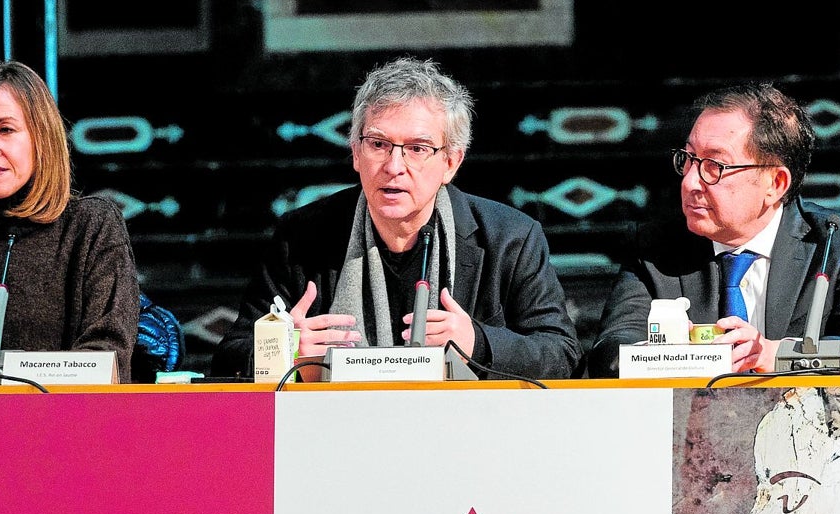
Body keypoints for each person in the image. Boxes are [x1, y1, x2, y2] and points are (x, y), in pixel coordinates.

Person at [211, 55, 582, 382]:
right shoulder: (301, 237)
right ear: (355, 153)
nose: (394, 166)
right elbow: (228, 357)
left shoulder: (510, 238)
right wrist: (283, 350)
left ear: (451, 162)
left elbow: (562, 354)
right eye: (378, 144)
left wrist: (477, 342)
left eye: (417, 149)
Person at [587, 81, 840, 378]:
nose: (690, 182)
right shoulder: (654, 247)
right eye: (689, 159)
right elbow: (610, 355)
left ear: (775, 184)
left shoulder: (837, 242)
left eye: (714, 167)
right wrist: (678, 357)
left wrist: (772, 354)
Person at [0, 59, 139, 383]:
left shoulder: (93, 226)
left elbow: (106, 362)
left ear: (41, 138)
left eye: (5, 129)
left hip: (67, 429)